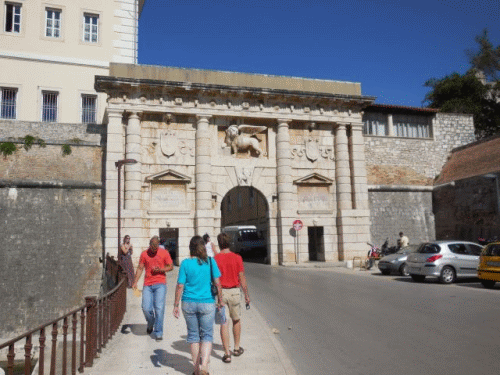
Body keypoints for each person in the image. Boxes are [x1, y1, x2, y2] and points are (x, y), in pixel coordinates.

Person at [173, 236, 223, 375]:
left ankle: (195, 370)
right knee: (207, 335)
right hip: (207, 303)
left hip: (188, 303)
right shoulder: (211, 262)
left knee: (193, 336)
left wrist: (176, 304)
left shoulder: (185, 263)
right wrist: (221, 299)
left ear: (190, 248)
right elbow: (218, 283)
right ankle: (204, 368)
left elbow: (180, 285)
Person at [214, 232, 251, 363]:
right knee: (236, 320)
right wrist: (246, 295)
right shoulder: (237, 257)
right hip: (235, 292)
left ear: (219, 244)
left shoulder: (215, 258)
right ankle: (236, 348)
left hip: (221, 293)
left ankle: (226, 354)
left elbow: (213, 279)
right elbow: (242, 278)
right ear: (229, 243)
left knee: (224, 323)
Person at [132, 236, 174, 341]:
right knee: (146, 308)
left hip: (160, 283)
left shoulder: (164, 253)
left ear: (158, 245)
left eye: (155, 249)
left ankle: (158, 332)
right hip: (148, 284)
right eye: (152, 248)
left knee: (159, 309)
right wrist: (135, 281)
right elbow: (140, 268)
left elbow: (171, 266)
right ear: (149, 244)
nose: (153, 250)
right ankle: (151, 323)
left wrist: (160, 269)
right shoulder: (144, 254)